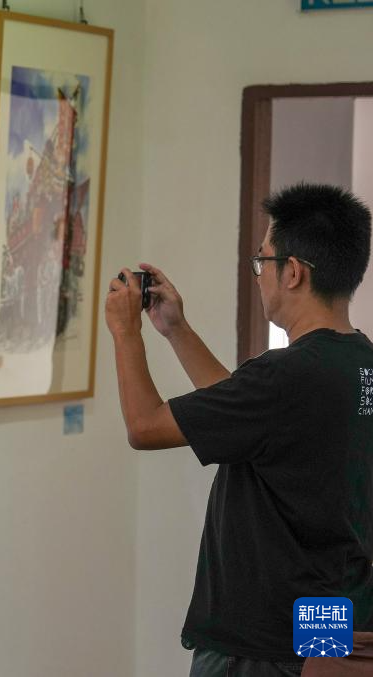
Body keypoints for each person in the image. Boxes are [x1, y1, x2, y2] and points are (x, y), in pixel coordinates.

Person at [104, 183, 373, 677]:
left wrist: (125, 332)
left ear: (293, 272)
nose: (260, 274)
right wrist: (176, 329)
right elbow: (247, 416)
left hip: (255, 648)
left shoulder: (286, 375)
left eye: (262, 260)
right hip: (327, 621)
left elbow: (144, 427)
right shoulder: (359, 362)